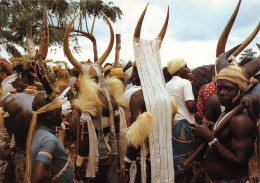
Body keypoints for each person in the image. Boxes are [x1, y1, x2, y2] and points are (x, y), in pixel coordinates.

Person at [190, 63, 260, 182]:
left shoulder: (240, 120)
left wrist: (209, 137)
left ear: (240, 90)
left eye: (228, 89)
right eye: (219, 88)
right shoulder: (226, 112)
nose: (222, 93)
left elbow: (239, 161)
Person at [166, 58, 197, 183]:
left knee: (176, 162)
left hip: (171, 125)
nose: (188, 69)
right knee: (186, 163)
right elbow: (190, 105)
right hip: (184, 125)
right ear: (179, 69)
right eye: (185, 66)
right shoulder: (185, 83)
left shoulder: (167, 85)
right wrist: (197, 109)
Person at [30, 93, 73, 183]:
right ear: (49, 116)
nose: (62, 116)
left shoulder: (37, 133)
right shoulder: (49, 140)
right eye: (59, 112)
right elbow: (37, 177)